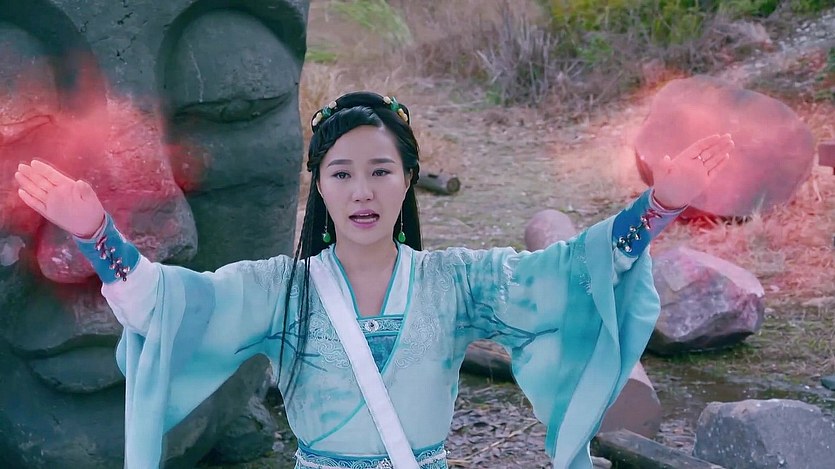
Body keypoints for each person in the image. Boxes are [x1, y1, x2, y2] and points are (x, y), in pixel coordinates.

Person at [13, 91, 734, 468]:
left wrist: (658, 207)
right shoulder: (278, 289)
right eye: (342, 174)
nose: (362, 191)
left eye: (381, 171)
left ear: (409, 179)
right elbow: (167, 304)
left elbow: (566, 275)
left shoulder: (457, 281)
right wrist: (96, 231)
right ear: (320, 186)